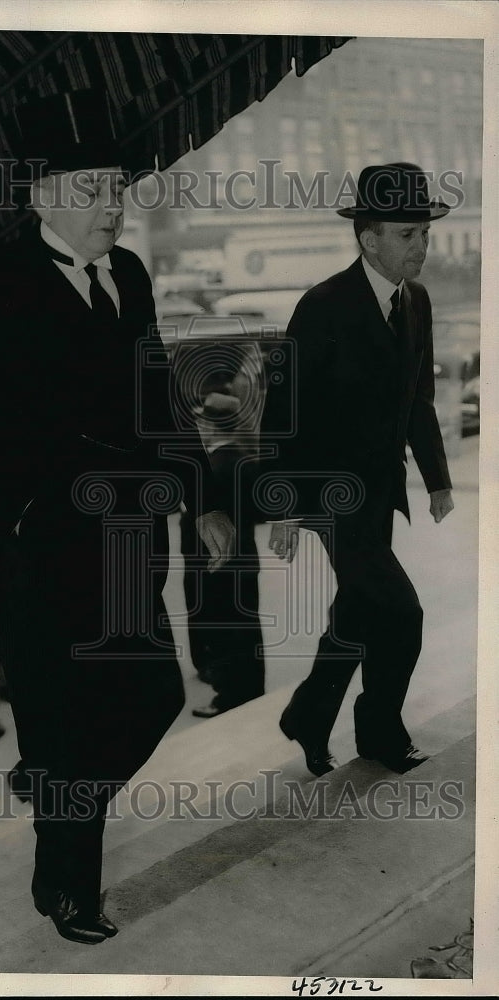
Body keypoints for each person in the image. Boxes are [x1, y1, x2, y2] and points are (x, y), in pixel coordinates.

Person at [0, 89, 234, 944]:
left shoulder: (125, 274)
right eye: (92, 188)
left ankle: (53, 797)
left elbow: (155, 393)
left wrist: (200, 497)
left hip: (128, 543)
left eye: (118, 186)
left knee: (153, 696)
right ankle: (69, 889)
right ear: (41, 194)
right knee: (66, 717)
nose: (112, 204)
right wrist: (7, 502)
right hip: (36, 551)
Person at [259, 162, 454, 776]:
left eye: (424, 233)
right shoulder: (321, 307)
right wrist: (285, 504)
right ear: (369, 239)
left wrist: (439, 478)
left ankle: (309, 715)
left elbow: (417, 398)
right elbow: (282, 410)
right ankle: (381, 731)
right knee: (402, 612)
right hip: (329, 494)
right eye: (407, 234)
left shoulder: (415, 301)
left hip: (380, 491)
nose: (420, 246)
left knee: (359, 611)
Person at [178, 346, 266, 717]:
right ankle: (249, 688)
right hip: (243, 559)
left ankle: (230, 696)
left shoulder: (214, 467)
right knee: (246, 628)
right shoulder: (244, 461)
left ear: (212, 425)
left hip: (216, 564)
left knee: (226, 629)